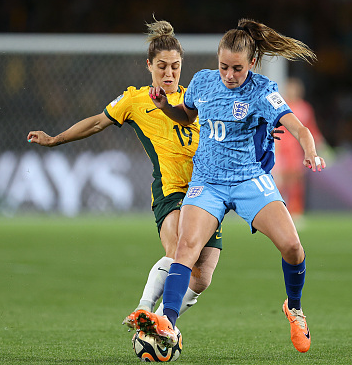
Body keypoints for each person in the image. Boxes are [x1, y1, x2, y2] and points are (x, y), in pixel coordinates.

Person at [126, 19, 326, 353]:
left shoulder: (262, 90)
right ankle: (167, 323)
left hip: (248, 180)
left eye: (237, 68)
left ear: (252, 64)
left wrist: (311, 151)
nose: (229, 75)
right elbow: (187, 116)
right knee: (185, 249)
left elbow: (299, 127)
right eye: (223, 67)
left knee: (293, 247)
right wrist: (166, 107)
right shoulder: (203, 82)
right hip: (208, 182)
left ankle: (294, 308)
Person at [26, 19, 222, 333]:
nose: (169, 74)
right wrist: (55, 139)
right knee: (178, 254)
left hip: (206, 192)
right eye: (162, 66)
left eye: (175, 66)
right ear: (149, 66)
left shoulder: (194, 100)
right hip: (171, 191)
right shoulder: (134, 100)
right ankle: (150, 313)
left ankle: (157, 320)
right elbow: (95, 123)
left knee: (201, 278)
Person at [272, 77, 326, 222]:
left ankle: (295, 212)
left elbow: (311, 128)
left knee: (296, 181)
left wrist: (320, 145)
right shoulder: (281, 106)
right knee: (279, 182)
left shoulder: (305, 108)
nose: (292, 91)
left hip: (296, 150)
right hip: (280, 148)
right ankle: (277, 213)